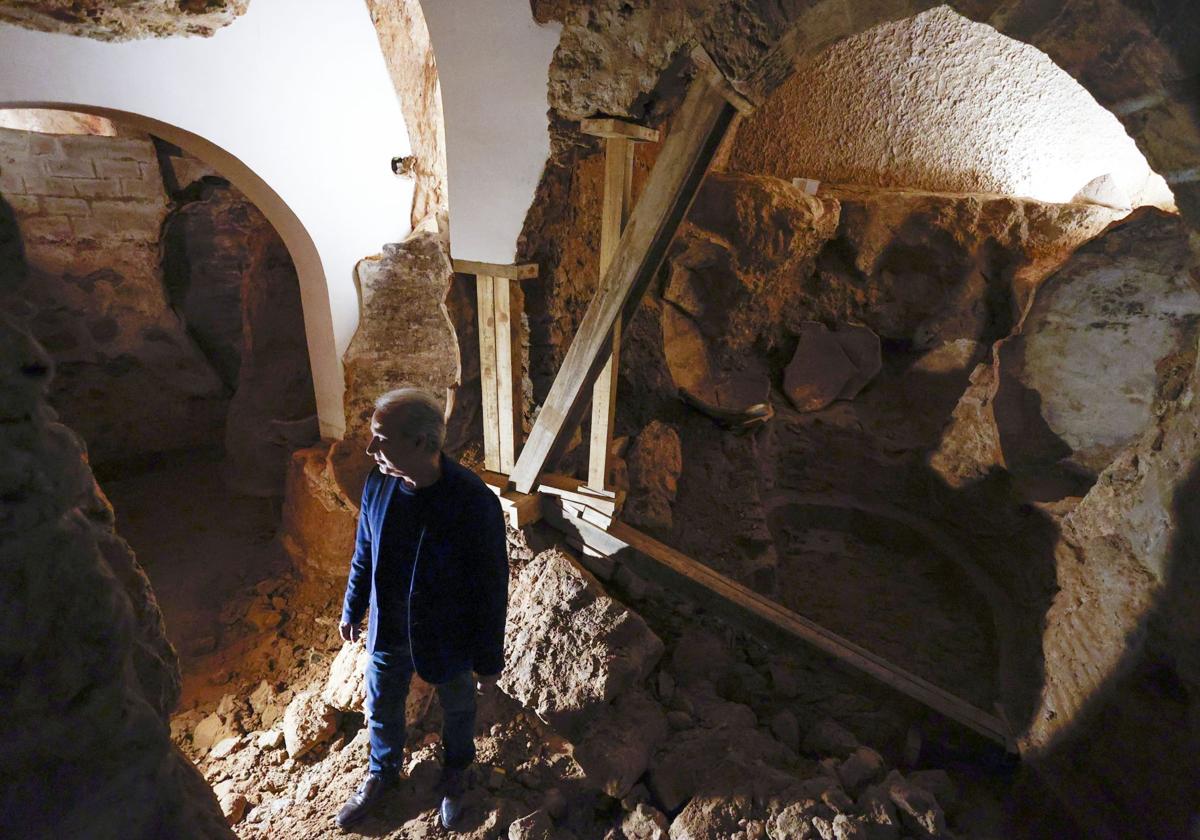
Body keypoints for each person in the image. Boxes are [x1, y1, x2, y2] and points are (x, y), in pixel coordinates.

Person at [334, 388, 509, 831]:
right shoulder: (377, 483)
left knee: (458, 706)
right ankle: (382, 772)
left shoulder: (473, 503)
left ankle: (456, 772)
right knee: (381, 702)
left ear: (424, 445)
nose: (371, 449)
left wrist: (488, 660)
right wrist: (352, 607)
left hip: (447, 635)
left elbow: (491, 589)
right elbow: (364, 552)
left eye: (382, 438)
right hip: (390, 628)